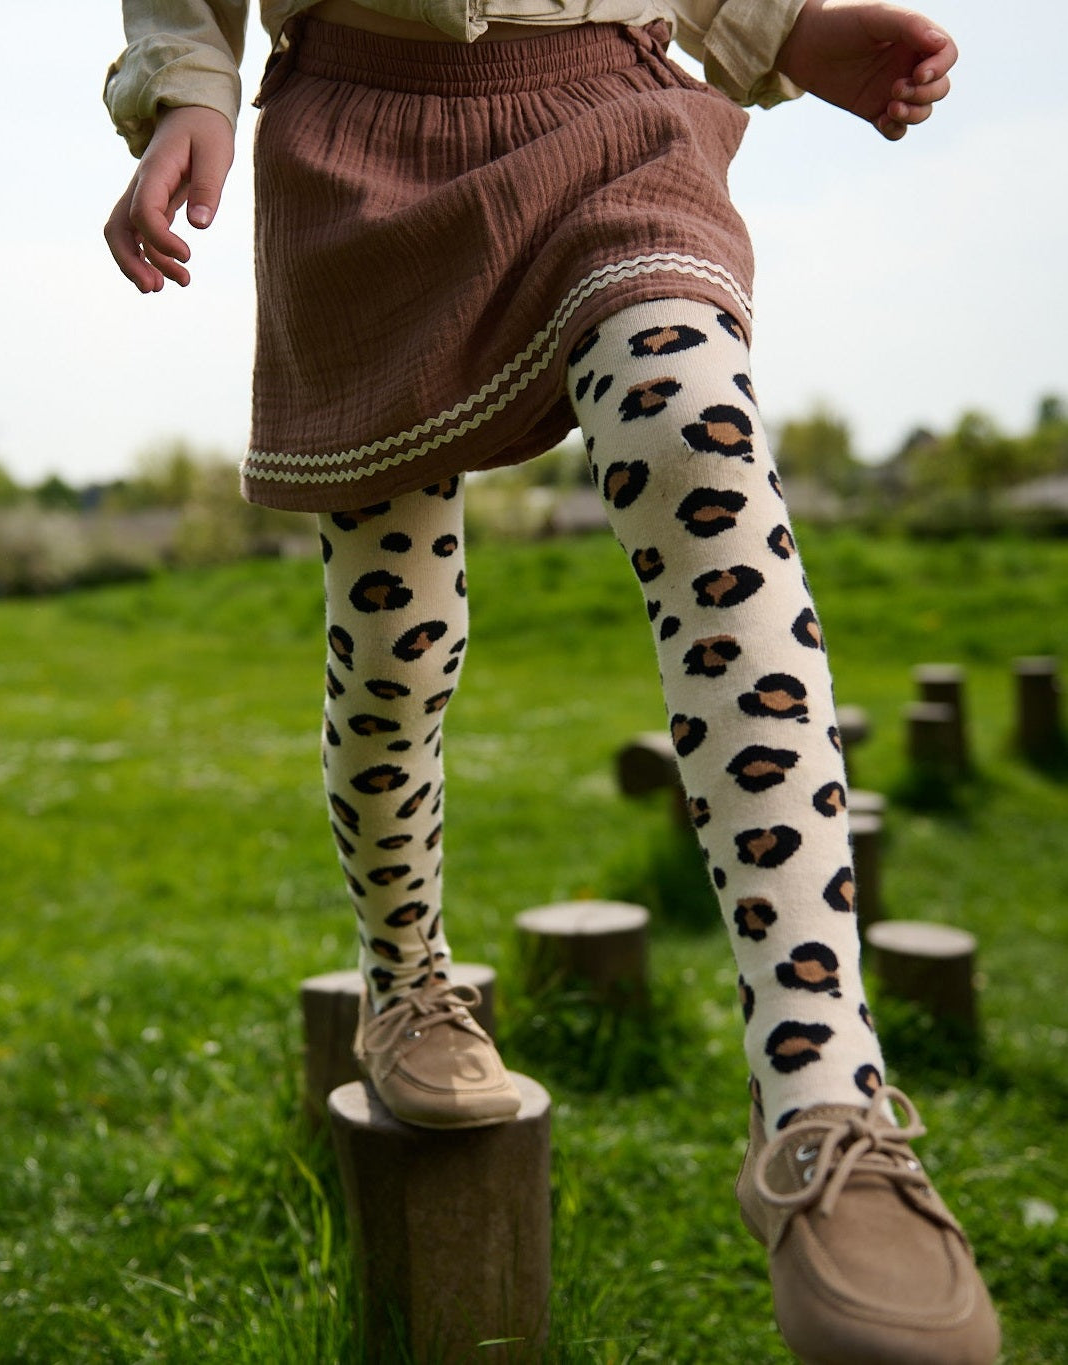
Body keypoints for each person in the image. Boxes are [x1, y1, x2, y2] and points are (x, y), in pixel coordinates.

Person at [102, 1, 999, 1359]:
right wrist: (188, 84)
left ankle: (822, 1091)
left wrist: (788, 27)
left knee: (700, 451)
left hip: (606, 104)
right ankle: (404, 979)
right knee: (397, 625)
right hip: (357, 132)